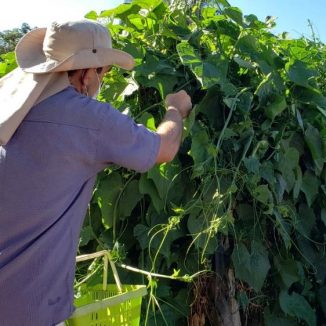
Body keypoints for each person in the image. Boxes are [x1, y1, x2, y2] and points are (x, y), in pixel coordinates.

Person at [0, 20, 192, 325]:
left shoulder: (10, 103)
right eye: (104, 71)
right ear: (87, 73)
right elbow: (164, 148)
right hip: (25, 309)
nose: (103, 79)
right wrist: (175, 109)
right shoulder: (86, 118)